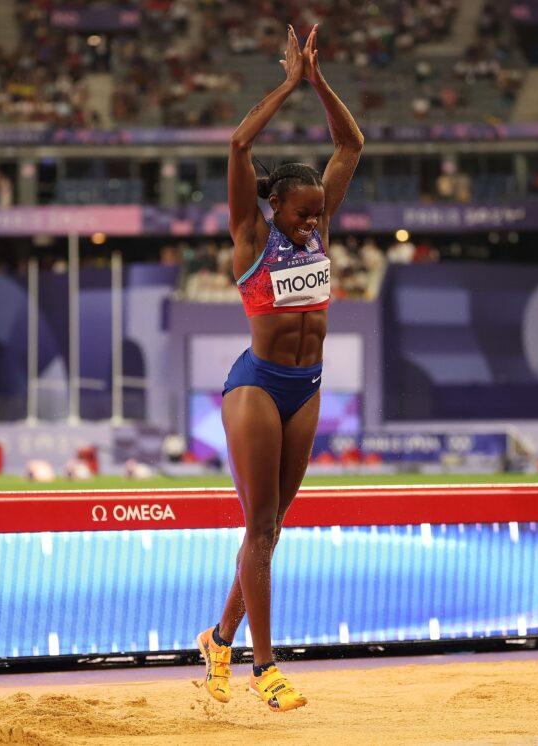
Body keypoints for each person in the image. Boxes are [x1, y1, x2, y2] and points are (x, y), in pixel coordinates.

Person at [195, 22, 362, 713]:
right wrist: (287, 86)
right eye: (302, 216)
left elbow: (349, 146)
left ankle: (218, 637)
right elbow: (238, 145)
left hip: (307, 386)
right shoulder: (252, 236)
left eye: (320, 218)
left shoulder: (318, 220)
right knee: (260, 525)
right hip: (257, 387)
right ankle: (265, 667)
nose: (313, 227)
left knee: (271, 528)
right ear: (273, 208)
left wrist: (320, 86)